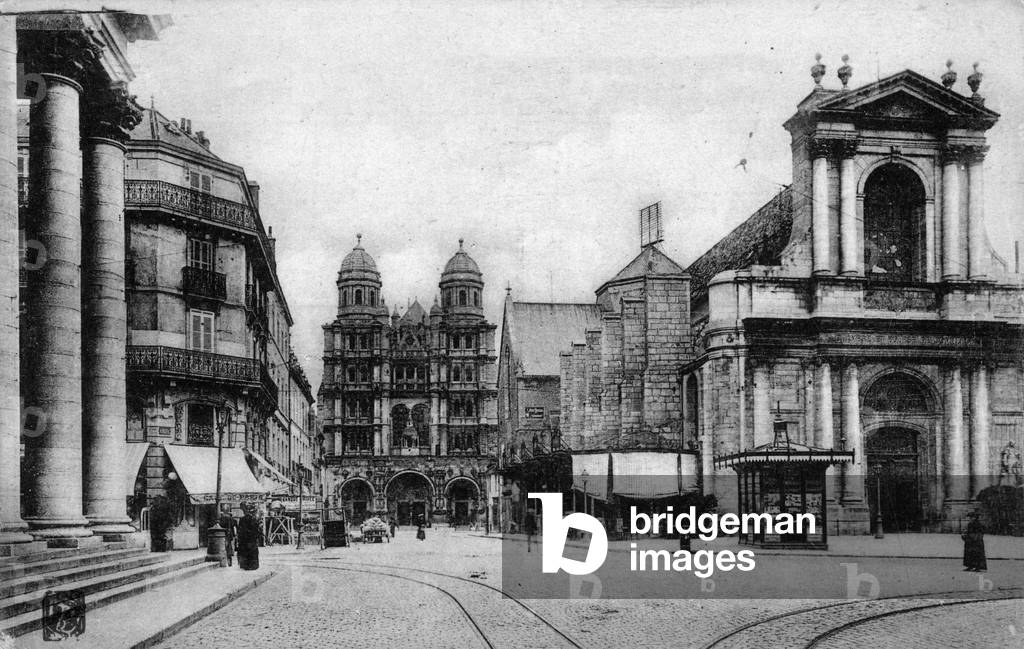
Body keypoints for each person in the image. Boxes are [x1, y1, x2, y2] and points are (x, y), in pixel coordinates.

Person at [236, 502, 263, 570]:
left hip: (245, 540)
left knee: (245, 552)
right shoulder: (254, 519)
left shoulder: (242, 519)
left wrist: (240, 538)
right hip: (252, 539)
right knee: (252, 552)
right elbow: (257, 530)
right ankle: (253, 565)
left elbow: (240, 531)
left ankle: (246, 565)